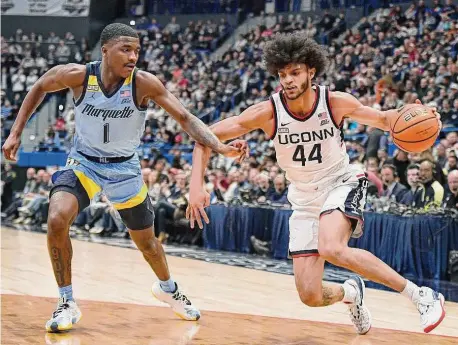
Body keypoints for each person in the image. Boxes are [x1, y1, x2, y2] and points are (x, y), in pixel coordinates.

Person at [186, 33, 445, 335]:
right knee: (310, 295)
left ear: (311, 71)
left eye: (295, 73)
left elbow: (387, 120)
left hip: (340, 182)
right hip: (303, 198)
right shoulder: (267, 113)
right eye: (282, 74)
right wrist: (196, 184)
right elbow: (202, 136)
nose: (288, 81)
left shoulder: (334, 103)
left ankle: (420, 295)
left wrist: (420, 116)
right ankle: (351, 293)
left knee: (332, 247)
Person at [2, 23, 243, 333]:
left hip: (124, 169)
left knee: (148, 245)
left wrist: (219, 146)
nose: (133, 57)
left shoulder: (144, 84)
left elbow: (185, 118)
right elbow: (39, 86)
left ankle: (168, 288)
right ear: (105, 51)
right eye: (126, 50)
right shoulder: (78, 75)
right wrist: (15, 132)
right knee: (57, 218)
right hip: (84, 164)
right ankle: (66, 301)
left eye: (137, 51)